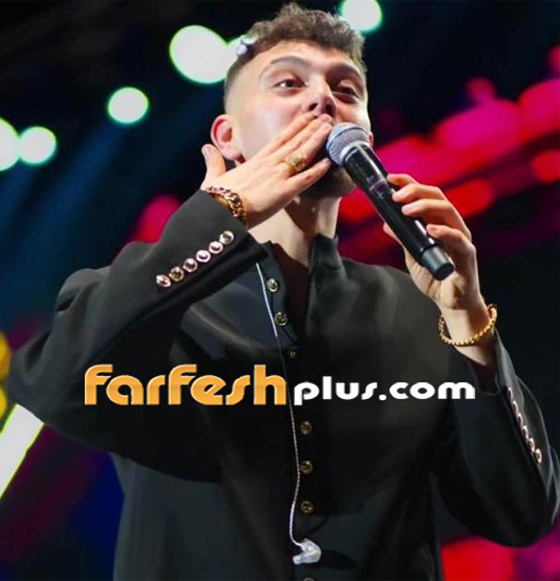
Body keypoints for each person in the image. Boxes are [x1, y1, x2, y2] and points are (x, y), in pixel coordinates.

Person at [6, 3, 559, 580]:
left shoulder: (419, 313)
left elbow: (521, 513)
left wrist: (469, 320)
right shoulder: (152, 301)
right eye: (289, 84)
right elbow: (54, 385)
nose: (324, 101)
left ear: (366, 136)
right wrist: (218, 215)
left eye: (346, 90)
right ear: (229, 138)